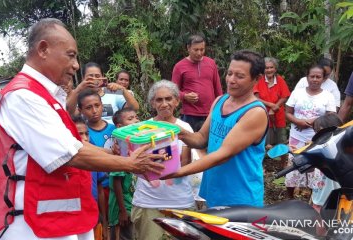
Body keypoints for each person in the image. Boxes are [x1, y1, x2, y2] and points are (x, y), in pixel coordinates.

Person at [0, 18, 164, 240]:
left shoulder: (43, 95)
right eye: (71, 55)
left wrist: (110, 153)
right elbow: (69, 153)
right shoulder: (23, 96)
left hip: (55, 220)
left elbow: (74, 145)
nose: (76, 65)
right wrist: (129, 164)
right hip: (32, 226)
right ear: (43, 49)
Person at [166, 50, 268, 208]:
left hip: (240, 198)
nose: (231, 80)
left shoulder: (255, 113)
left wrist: (178, 172)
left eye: (239, 76)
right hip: (214, 191)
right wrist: (177, 131)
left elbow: (222, 155)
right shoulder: (220, 100)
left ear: (256, 79)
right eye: (229, 73)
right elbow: (201, 139)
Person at [131, 80, 195, 240]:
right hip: (148, 203)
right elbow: (132, 162)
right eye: (159, 100)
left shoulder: (184, 128)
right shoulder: (142, 129)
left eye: (168, 99)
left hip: (180, 202)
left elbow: (186, 163)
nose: (164, 104)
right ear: (152, 103)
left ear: (177, 101)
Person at [284, 64, 336, 199]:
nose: (314, 79)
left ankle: (314, 199)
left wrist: (311, 121)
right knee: (293, 168)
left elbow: (331, 117)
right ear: (307, 77)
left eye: (318, 77)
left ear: (323, 78)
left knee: (316, 170)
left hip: (317, 139)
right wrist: (297, 121)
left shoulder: (328, 96)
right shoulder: (297, 93)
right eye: (312, 76)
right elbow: (288, 112)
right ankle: (290, 198)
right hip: (297, 137)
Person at [77, 89, 116, 237]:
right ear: (80, 110)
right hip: (86, 202)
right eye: (88, 107)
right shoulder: (81, 134)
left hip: (111, 187)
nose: (94, 111)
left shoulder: (114, 129)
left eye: (97, 105)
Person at [172, 34, 223, 132]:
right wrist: (185, 96)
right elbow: (173, 91)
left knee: (210, 143)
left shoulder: (211, 63)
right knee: (190, 144)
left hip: (211, 113)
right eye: (196, 50)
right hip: (190, 115)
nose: (199, 53)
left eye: (202, 49)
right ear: (188, 48)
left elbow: (218, 88)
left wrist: (220, 108)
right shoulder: (179, 66)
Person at [72, 115, 107, 240]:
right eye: (79, 134)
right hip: (72, 220)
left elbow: (100, 188)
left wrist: (103, 218)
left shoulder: (93, 159)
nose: (85, 138)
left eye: (86, 134)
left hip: (92, 214)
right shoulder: (65, 161)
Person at [67, 63, 139, 123]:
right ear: (83, 78)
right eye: (90, 77)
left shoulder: (112, 93)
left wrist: (123, 90)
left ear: (103, 77)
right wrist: (78, 89)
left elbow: (134, 108)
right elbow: (70, 114)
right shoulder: (79, 97)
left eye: (97, 76)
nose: (94, 79)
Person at [109, 108, 140, 240]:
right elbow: (117, 182)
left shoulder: (134, 143)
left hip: (133, 203)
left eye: (136, 117)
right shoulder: (121, 148)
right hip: (124, 207)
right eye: (130, 118)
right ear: (119, 126)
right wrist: (122, 211)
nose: (136, 120)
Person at [253, 57, 290, 158]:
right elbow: (255, 98)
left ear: (275, 68)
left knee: (281, 143)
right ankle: (266, 167)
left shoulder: (280, 80)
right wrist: (271, 105)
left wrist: (275, 107)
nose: (269, 70)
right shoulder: (259, 80)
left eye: (271, 67)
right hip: (263, 117)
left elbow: (285, 96)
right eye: (266, 68)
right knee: (266, 144)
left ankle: (282, 166)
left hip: (279, 116)